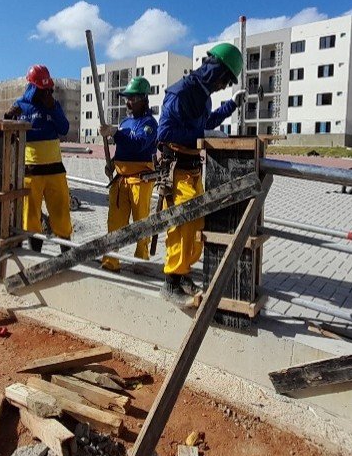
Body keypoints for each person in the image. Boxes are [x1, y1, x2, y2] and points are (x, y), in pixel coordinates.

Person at [156, 42, 246, 302]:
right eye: (225, 80)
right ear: (215, 69)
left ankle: (183, 272)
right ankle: (170, 281)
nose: (223, 86)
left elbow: (204, 123)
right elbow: (165, 132)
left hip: (193, 169)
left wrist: (230, 106)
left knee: (197, 223)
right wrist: (202, 134)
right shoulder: (181, 92)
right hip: (176, 170)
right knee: (182, 219)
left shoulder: (203, 97)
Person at [5, 64, 72, 248]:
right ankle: (35, 254)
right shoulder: (20, 106)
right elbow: (8, 133)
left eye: (48, 90)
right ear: (32, 86)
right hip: (31, 171)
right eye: (42, 90)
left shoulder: (52, 105)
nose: (46, 93)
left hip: (55, 170)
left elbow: (64, 129)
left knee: (61, 212)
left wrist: (54, 109)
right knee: (31, 215)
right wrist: (8, 117)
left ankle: (67, 253)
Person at [98, 77, 157, 272]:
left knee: (141, 222)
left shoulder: (149, 123)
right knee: (115, 222)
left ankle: (141, 260)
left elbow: (138, 144)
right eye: (126, 98)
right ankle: (111, 261)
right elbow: (123, 148)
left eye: (132, 98)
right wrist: (113, 163)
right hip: (121, 180)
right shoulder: (125, 122)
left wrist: (115, 132)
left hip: (140, 180)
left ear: (143, 99)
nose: (127, 102)